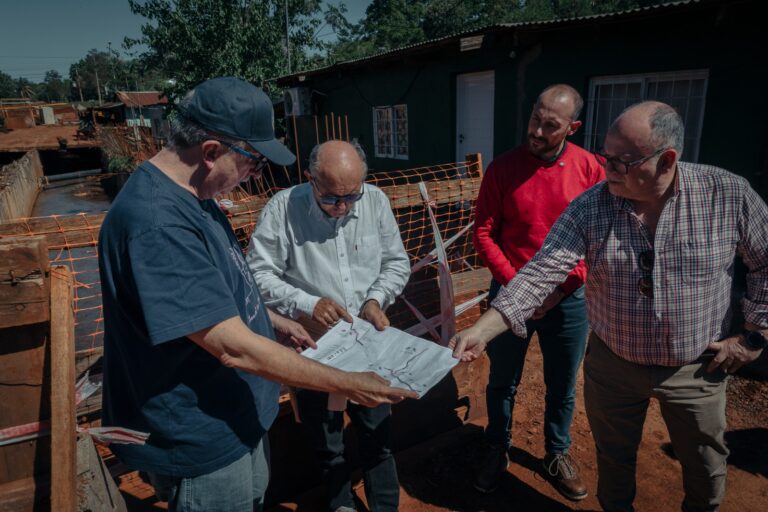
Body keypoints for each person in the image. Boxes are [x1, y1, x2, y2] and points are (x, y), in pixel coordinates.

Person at [98, 77, 417, 512]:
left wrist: (273, 322)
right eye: (253, 161)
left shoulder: (198, 197)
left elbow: (229, 295)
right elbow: (233, 347)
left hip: (233, 418)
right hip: (198, 434)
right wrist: (349, 383)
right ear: (211, 152)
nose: (257, 174)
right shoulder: (159, 224)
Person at [451, 101, 768, 512]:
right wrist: (484, 328)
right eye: (606, 157)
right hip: (613, 367)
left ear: (666, 160)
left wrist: (754, 335)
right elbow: (540, 272)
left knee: (705, 470)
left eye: (621, 161)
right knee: (614, 465)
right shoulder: (591, 206)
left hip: (696, 369)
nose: (607, 169)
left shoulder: (727, 195)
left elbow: (765, 261)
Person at [246, 140, 410, 512]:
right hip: (313, 349)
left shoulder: (376, 202)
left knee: (378, 434)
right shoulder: (282, 208)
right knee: (326, 440)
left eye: (352, 197)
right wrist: (308, 303)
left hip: (368, 346)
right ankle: (342, 505)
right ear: (310, 180)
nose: (342, 207)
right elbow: (256, 274)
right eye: (332, 198)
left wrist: (375, 300)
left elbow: (396, 262)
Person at [472, 84, 604, 498]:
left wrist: (559, 289)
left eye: (551, 125)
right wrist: (519, 289)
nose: (538, 131)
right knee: (502, 380)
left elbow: (597, 238)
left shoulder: (590, 169)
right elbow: (483, 232)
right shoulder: (501, 168)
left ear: (572, 127)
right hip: (510, 289)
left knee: (563, 383)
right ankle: (496, 445)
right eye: (535, 119)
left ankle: (557, 451)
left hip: (568, 297)